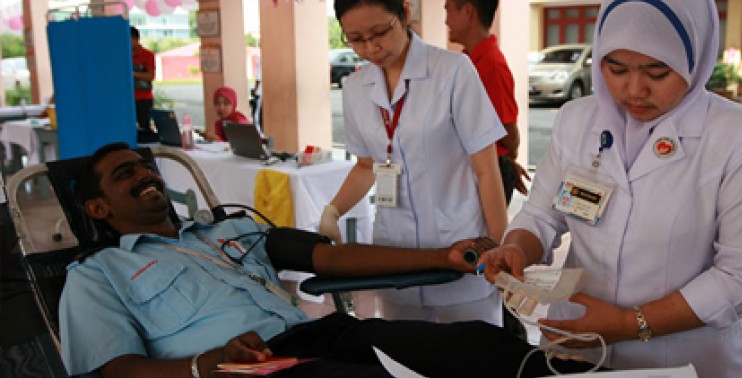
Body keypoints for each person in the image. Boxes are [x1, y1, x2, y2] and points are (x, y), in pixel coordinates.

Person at [480, 0, 742, 376]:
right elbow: (542, 214)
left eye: (656, 72)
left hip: (680, 359)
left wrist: (631, 324)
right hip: (577, 347)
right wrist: (518, 249)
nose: (633, 90)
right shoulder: (578, 121)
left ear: (694, 56)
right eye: (615, 68)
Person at [58, 142, 597, 377]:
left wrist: (446, 254)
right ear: (98, 207)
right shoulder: (96, 276)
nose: (146, 176)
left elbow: (327, 257)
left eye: (145, 168)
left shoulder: (229, 231)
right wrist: (204, 367)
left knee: (474, 347)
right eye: (126, 175)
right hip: (246, 369)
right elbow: (117, 369)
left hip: (324, 335)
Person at [316, 0, 508, 326]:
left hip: (462, 247)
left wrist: (499, 247)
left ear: (405, 13)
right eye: (356, 39)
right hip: (396, 260)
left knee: (473, 359)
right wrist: (333, 210)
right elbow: (366, 166)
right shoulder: (356, 87)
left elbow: (486, 168)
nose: (371, 48)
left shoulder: (452, 70)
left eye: (380, 33)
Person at [444, 0, 530, 206]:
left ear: (468, 12)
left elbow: (508, 131)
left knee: (486, 241)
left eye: (448, 10)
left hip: (490, 170)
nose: (446, 20)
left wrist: (506, 163)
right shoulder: (466, 60)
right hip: (475, 167)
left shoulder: (490, 64)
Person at [130, 26, 156, 133]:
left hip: (144, 98)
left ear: (136, 39)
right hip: (127, 99)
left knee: (144, 128)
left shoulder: (147, 55)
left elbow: (151, 76)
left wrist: (133, 74)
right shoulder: (122, 55)